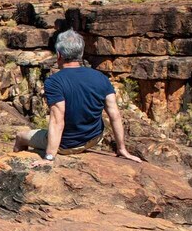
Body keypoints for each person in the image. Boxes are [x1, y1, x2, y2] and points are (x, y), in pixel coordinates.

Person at [14, 29, 142, 165]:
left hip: (66, 145)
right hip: (94, 138)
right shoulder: (101, 77)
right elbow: (114, 115)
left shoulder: (54, 82)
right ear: (80, 54)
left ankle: (15, 164)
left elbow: (58, 121)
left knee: (20, 136)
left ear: (59, 55)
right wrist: (122, 149)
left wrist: (49, 157)